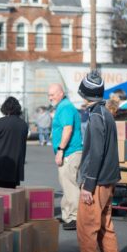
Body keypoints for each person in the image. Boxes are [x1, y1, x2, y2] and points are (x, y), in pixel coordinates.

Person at [68, 71, 126, 252]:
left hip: (98, 181)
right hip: (108, 179)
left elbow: (96, 153)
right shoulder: (105, 113)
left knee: (86, 228)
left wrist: (88, 185)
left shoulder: (95, 116)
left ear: (85, 93)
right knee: (105, 226)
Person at [48, 83, 83, 231]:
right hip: (68, 152)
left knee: (70, 185)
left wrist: (61, 149)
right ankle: (67, 215)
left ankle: (75, 217)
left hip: (70, 151)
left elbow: (68, 129)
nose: (50, 98)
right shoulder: (63, 106)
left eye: (53, 94)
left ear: (61, 93)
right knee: (66, 184)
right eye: (49, 95)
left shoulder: (66, 107)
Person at [0, 96, 28, 189]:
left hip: (0, 166)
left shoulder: (1, 122)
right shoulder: (23, 124)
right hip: (15, 167)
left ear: (5, 108)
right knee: (11, 195)